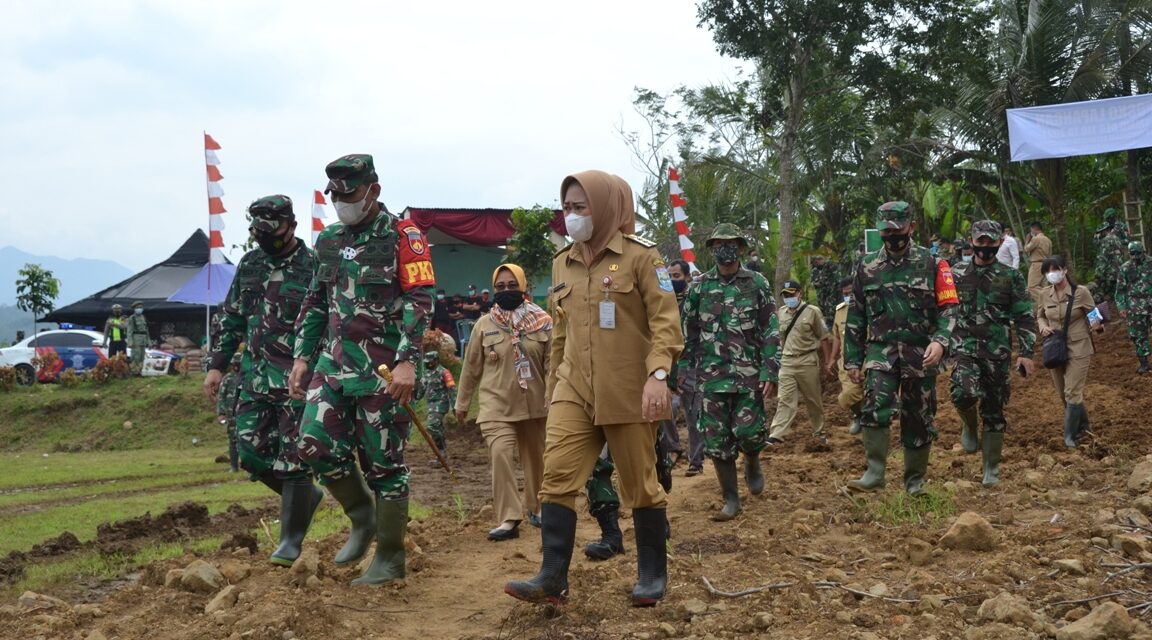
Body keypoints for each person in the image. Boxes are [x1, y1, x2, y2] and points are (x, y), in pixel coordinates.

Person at [504, 170, 682, 607]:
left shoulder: (642, 258)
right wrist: (556, 380)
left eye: (580, 208)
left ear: (604, 208)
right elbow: (562, 330)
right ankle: (552, 577)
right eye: (566, 208)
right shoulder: (562, 261)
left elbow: (666, 323)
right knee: (557, 478)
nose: (571, 216)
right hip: (574, 388)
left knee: (640, 485)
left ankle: (652, 576)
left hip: (628, 390)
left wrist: (658, 376)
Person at [289, 154, 435, 586]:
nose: (341, 202)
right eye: (335, 195)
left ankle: (390, 559)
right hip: (333, 366)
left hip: (385, 371)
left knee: (384, 465)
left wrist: (408, 361)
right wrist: (301, 356)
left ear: (374, 189)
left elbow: (421, 301)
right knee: (313, 445)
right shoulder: (329, 239)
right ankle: (362, 518)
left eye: (349, 194)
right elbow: (316, 301)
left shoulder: (405, 236)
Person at [205, 194, 323, 566]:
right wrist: (217, 365)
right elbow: (233, 317)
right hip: (254, 376)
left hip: (296, 379)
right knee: (250, 454)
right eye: (257, 230)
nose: (263, 237)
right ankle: (305, 496)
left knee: (295, 460)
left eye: (270, 230)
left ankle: (290, 541)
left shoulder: (312, 266)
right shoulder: (251, 263)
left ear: (291, 225)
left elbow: (326, 319)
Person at [844, 201, 958, 495]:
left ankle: (914, 481)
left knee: (918, 416)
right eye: (886, 231)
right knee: (874, 409)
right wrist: (853, 359)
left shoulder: (933, 264)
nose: (893, 236)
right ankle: (874, 473)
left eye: (899, 230)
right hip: (880, 353)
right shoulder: (867, 266)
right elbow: (856, 315)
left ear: (912, 227)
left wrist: (940, 341)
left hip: (921, 354)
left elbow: (949, 309)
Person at [678, 223, 779, 521]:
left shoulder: (757, 283)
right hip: (711, 378)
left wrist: (769, 371)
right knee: (717, 441)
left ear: (741, 249)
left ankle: (752, 460)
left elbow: (770, 330)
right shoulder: (699, 287)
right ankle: (731, 499)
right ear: (711, 250)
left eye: (731, 244)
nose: (725, 249)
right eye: (719, 244)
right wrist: (681, 369)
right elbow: (688, 333)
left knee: (748, 433)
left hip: (748, 375)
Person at [454, 263, 549, 541]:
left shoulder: (543, 321)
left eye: (511, 286)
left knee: (536, 459)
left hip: (534, 404)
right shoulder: (484, 325)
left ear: (523, 287)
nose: (506, 291)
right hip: (496, 405)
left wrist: (552, 393)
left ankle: (539, 507)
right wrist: (462, 403)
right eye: (500, 287)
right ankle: (509, 517)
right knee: (500, 455)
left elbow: (554, 364)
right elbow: (471, 367)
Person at [948, 221, 1037, 487]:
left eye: (990, 242)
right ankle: (969, 425)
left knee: (995, 411)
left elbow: (1023, 316)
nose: (985, 247)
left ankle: (990, 468)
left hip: (997, 352)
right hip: (964, 348)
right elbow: (942, 309)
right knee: (963, 393)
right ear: (971, 240)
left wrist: (1026, 352)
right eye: (980, 241)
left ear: (1000, 242)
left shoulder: (1011, 276)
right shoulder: (956, 273)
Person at [1036, 255, 1102, 448]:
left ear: (1064, 270)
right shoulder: (1044, 294)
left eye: (1054, 270)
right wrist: (1042, 327)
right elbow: (1040, 315)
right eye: (1047, 272)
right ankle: (1084, 427)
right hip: (1054, 347)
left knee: (1072, 391)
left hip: (1078, 345)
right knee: (1063, 394)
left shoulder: (1080, 292)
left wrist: (1097, 325)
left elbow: (1093, 314)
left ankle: (1069, 436)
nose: (1051, 274)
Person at [767, 280, 831, 445]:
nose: (789, 298)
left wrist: (828, 361)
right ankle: (776, 435)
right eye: (786, 295)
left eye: (791, 294)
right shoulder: (781, 313)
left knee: (813, 399)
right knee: (785, 399)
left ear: (800, 293)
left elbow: (824, 337)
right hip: (787, 362)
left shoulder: (812, 312)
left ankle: (819, 432)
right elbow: (780, 338)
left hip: (807, 360)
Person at [667, 259, 704, 477]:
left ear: (687, 277)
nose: (673, 281)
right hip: (668, 364)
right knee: (664, 411)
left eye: (677, 276)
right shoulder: (663, 302)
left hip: (692, 364)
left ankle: (696, 461)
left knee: (693, 415)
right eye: (669, 276)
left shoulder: (695, 300)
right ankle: (673, 448)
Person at [827, 277, 864, 434]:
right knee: (847, 396)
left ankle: (874, 418)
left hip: (869, 359)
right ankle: (859, 415)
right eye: (845, 294)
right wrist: (832, 359)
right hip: (847, 361)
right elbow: (837, 336)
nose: (847, 296)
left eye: (850, 293)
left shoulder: (867, 308)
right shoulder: (840, 311)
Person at [1116, 241, 1152, 374]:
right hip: (1135, 307)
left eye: (1138, 253)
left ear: (1143, 252)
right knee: (1138, 336)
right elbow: (1120, 290)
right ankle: (1144, 365)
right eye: (1132, 254)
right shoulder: (1125, 268)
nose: (1135, 256)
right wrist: (1121, 307)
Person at [417, 351, 456, 465]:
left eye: (430, 362)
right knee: (437, 428)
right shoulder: (426, 373)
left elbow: (452, 389)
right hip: (431, 405)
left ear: (436, 361)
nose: (428, 364)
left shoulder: (444, 372)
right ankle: (441, 455)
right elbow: (421, 391)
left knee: (432, 426)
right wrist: (414, 398)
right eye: (426, 362)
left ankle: (441, 451)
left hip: (441, 403)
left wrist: (455, 406)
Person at [217, 353, 244, 473]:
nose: (236, 366)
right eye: (234, 364)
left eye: (238, 364)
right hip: (231, 415)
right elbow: (221, 397)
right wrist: (221, 413)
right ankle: (234, 466)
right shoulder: (227, 379)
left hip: (245, 413)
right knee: (233, 441)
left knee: (246, 441)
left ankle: (248, 466)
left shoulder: (247, 377)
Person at [1094, 218, 1128, 303]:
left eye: (1101, 232)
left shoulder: (1105, 241)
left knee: (1099, 291)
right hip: (1119, 270)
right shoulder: (1117, 239)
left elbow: (1102, 259)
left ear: (1104, 231)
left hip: (1110, 273)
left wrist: (1098, 274)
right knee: (1116, 295)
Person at [1022, 222, 1052, 299]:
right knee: (1044, 286)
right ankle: (1046, 306)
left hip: (1037, 264)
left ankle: (1047, 299)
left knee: (1032, 287)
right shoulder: (1048, 240)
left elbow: (1026, 249)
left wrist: (1027, 240)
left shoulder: (1036, 239)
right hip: (1046, 263)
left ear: (1034, 229)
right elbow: (1050, 254)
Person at [810, 254, 840, 322]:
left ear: (821, 260)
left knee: (830, 306)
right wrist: (816, 284)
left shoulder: (829, 266)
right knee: (822, 307)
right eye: (815, 263)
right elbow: (812, 282)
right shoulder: (814, 271)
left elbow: (831, 279)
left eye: (817, 262)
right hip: (820, 293)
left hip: (830, 291)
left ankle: (831, 319)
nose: (816, 264)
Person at [126, 301, 151, 372]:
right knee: (135, 356)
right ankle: (134, 371)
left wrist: (149, 342)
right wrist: (130, 342)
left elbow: (146, 331)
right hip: (135, 340)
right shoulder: (132, 318)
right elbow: (129, 331)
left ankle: (140, 370)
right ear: (134, 309)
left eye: (140, 307)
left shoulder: (143, 317)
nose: (139, 309)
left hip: (143, 340)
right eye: (137, 308)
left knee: (142, 356)